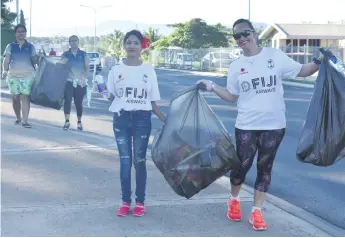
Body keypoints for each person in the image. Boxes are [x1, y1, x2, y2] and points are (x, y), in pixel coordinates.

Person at [197, 18, 322, 231]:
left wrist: (319, 61)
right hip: (247, 124)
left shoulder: (274, 56)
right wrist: (211, 86)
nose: (242, 38)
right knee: (241, 166)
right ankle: (234, 200)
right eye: (237, 36)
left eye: (245, 33)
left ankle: (257, 211)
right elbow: (232, 96)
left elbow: (302, 70)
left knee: (265, 168)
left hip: (274, 124)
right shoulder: (237, 66)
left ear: (254, 33)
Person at [106, 30, 166, 217]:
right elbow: (111, 96)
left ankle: (140, 202)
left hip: (142, 119)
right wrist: (101, 88)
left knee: (139, 161)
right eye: (128, 42)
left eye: (135, 43)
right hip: (121, 119)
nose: (132, 46)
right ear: (124, 45)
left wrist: (166, 120)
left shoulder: (148, 70)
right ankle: (125, 201)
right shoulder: (116, 70)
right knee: (125, 162)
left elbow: (153, 101)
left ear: (142, 47)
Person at [2, 24, 38, 128]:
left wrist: (38, 58)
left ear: (25, 33)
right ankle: (18, 117)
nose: (21, 33)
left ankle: (25, 121)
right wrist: (4, 70)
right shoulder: (10, 46)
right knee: (15, 98)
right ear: (15, 33)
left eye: (23, 31)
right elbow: (6, 59)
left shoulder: (30, 46)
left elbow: (34, 60)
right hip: (13, 76)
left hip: (28, 75)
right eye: (18, 31)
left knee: (25, 97)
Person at [61, 35, 89, 131]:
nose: (74, 42)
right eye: (72, 41)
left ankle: (79, 122)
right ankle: (67, 121)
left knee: (78, 102)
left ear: (78, 42)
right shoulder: (65, 54)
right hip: (69, 81)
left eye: (75, 40)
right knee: (67, 101)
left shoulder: (83, 54)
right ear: (69, 43)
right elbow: (61, 66)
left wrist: (83, 78)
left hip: (80, 82)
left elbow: (87, 67)